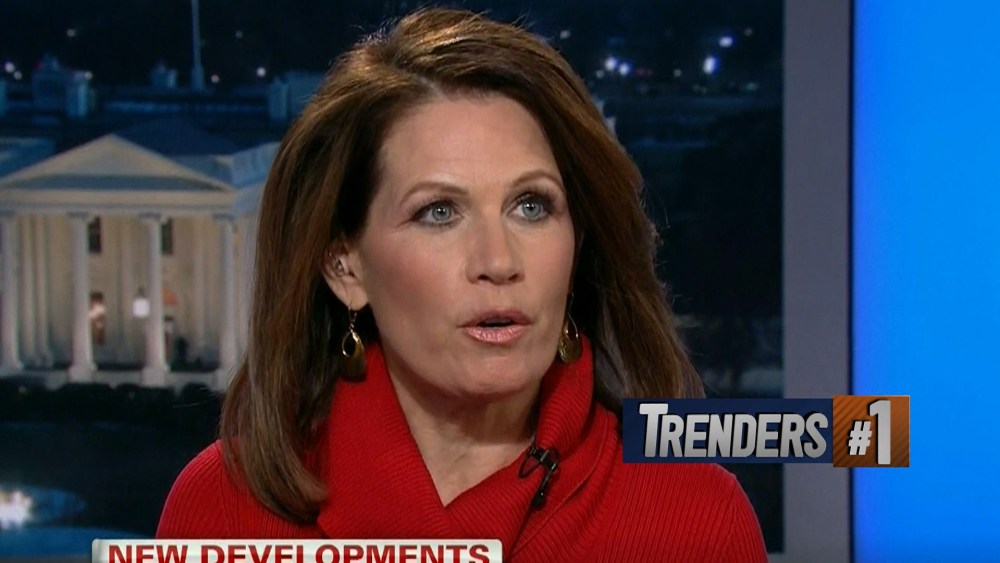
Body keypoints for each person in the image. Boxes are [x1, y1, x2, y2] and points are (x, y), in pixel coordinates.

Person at [157, 7, 767, 561]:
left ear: (577, 244)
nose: (498, 261)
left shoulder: (694, 519)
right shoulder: (223, 512)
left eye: (531, 206)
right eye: (439, 212)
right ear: (345, 266)